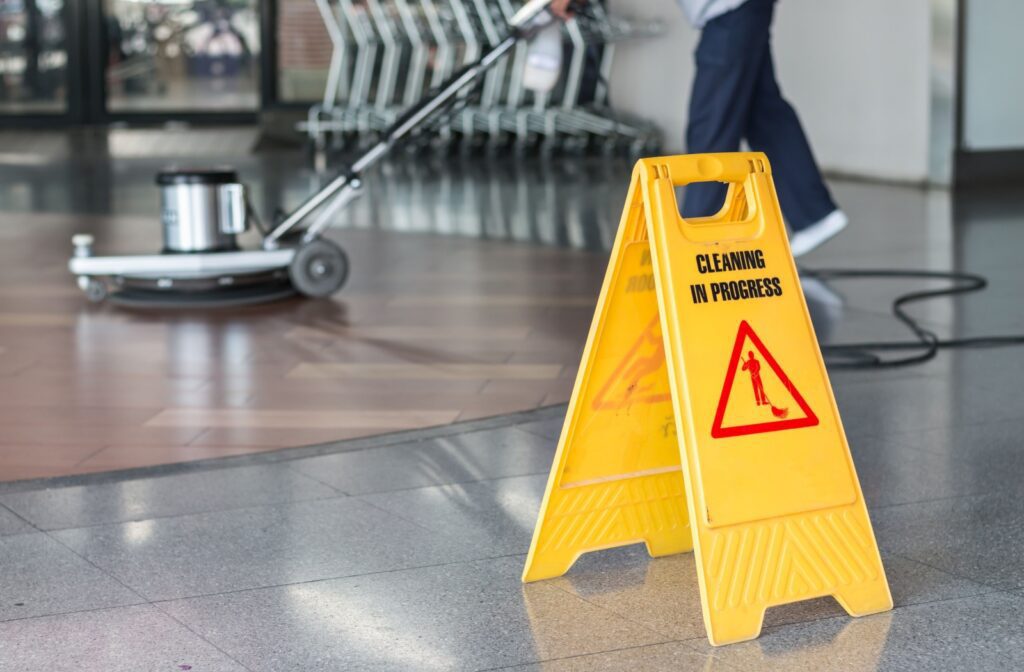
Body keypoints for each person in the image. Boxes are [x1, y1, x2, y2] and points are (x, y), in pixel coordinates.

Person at [549, 0, 847, 257]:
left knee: (711, 125)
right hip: (737, 8)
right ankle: (814, 214)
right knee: (762, 111)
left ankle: (697, 242)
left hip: (730, 9)